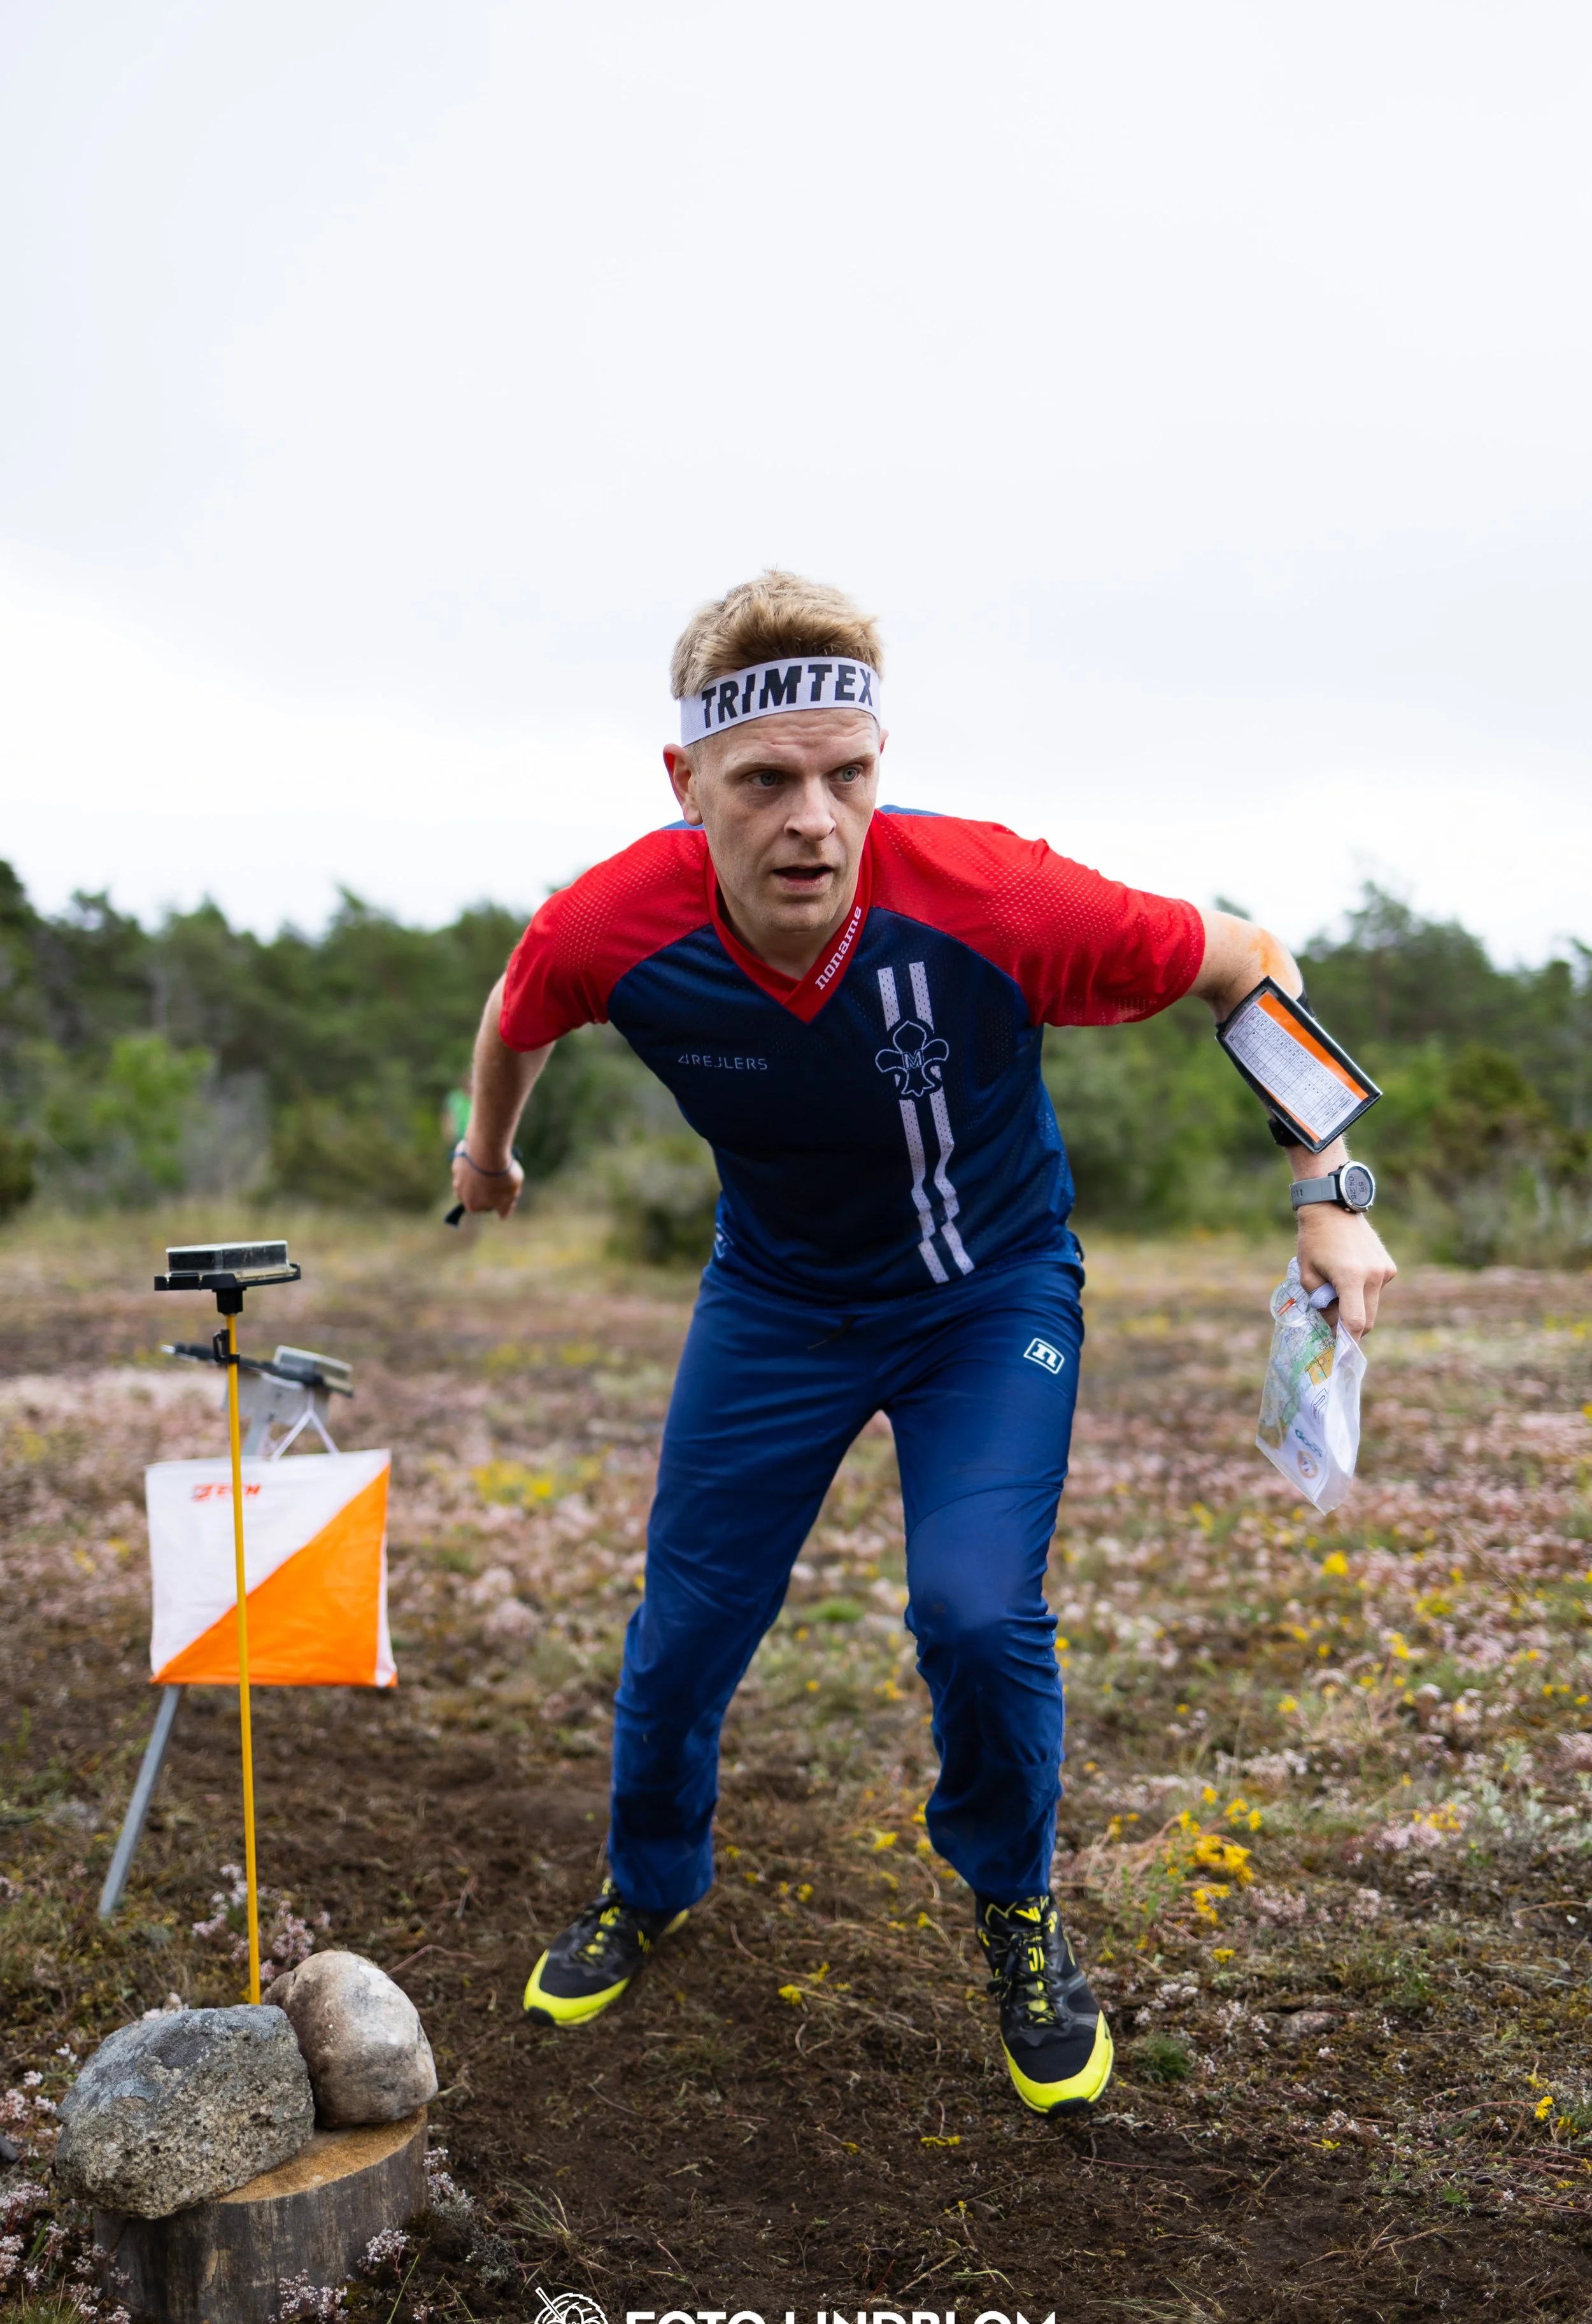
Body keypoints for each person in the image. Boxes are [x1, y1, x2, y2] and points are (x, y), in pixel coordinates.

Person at [451, 570, 1397, 2114]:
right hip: (773, 1306)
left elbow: (1246, 960)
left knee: (972, 1611)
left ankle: (1015, 1907)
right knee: (685, 1626)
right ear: (685, 783)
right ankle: (648, 1881)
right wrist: (486, 1153)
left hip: (985, 1301)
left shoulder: (990, 897)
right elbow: (519, 1006)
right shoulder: (611, 921)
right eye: (764, 783)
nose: (812, 823)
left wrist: (1326, 1191)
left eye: (847, 776)